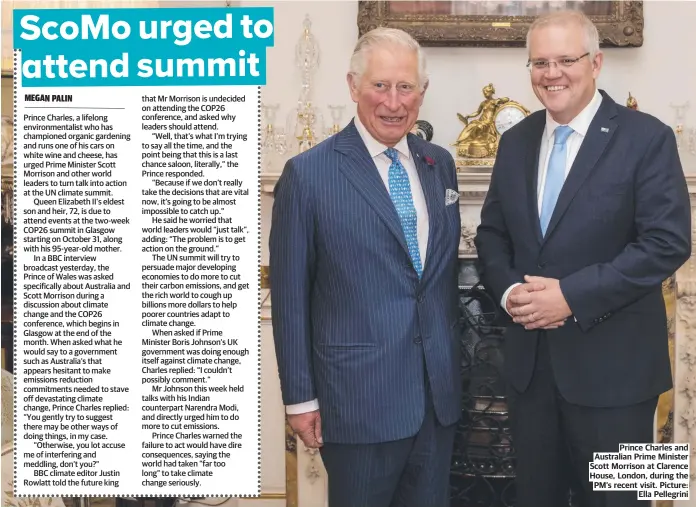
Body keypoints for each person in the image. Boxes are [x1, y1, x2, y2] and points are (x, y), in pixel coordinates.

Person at [474, 10, 691, 507]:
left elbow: (668, 243)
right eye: (540, 62)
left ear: (596, 62)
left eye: (565, 60)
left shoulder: (648, 137)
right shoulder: (515, 142)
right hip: (530, 375)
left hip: (621, 378)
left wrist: (570, 296)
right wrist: (510, 292)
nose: (552, 74)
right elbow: (490, 234)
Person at [269, 27, 462, 507]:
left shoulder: (440, 164)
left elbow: (434, 282)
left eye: (405, 87)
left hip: (437, 399)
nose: (393, 101)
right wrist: (300, 398)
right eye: (380, 86)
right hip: (356, 400)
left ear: (423, 92)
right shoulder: (308, 174)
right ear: (353, 86)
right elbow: (290, 299)